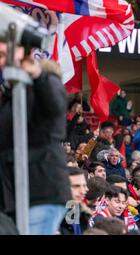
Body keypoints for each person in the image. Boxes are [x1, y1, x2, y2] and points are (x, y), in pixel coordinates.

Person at [0, 54, 71, 235]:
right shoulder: (14, 101)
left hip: (41, 192)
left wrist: (40, 75)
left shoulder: (47, 88)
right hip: (18, 196)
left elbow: (54, 99)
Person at [60, 168, 91, 235]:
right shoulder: (51, 218)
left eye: (84, 185)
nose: (83, 191)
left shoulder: (80, 212)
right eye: (76, 186)